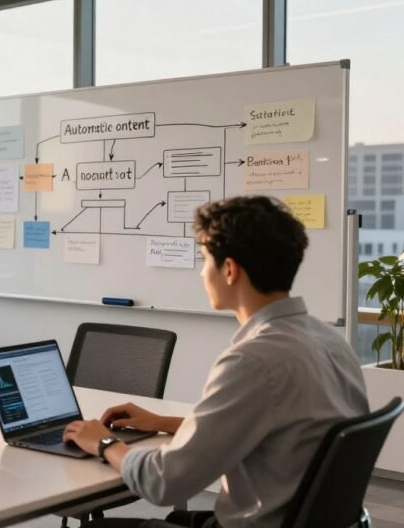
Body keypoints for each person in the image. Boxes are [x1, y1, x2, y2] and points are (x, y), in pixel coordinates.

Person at [62, 196, 368, 528]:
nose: (202, 272)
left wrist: (104, 442)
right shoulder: (329, 341)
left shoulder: (253, 361)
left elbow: (163, 482)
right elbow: (271, 428)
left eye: (205, 260)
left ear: (230, 269)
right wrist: (163, 422)